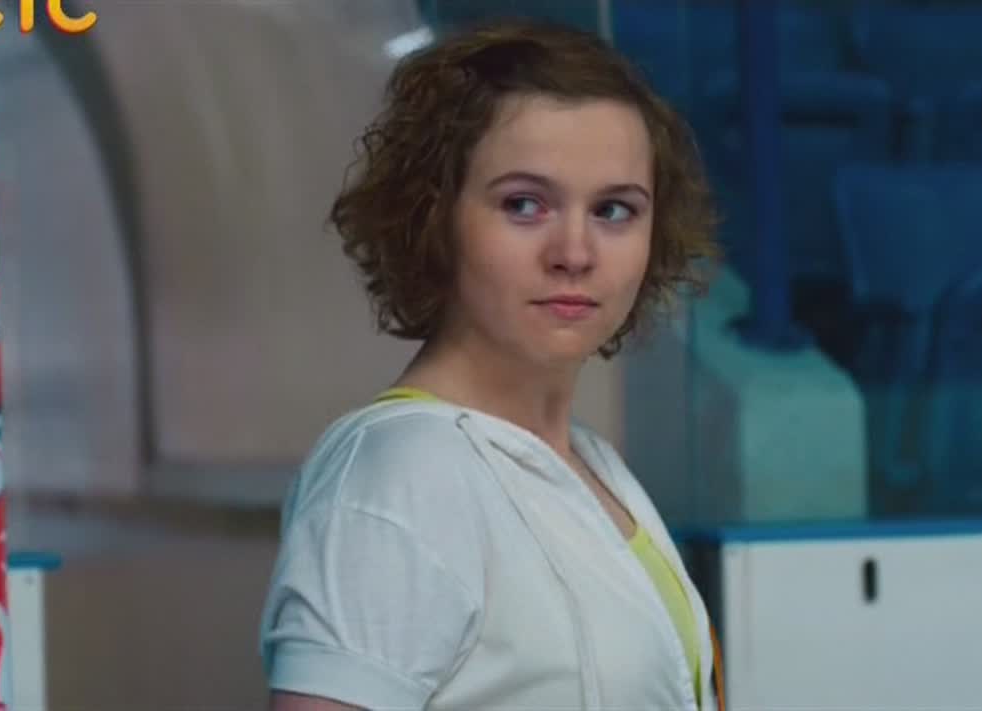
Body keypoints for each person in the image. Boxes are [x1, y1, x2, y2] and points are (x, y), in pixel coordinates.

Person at [260, 18, 722, 711]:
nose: (575, 252)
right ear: (434, 218)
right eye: (524, 204)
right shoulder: (402, 475)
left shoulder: (591, 466)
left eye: (614, 210)